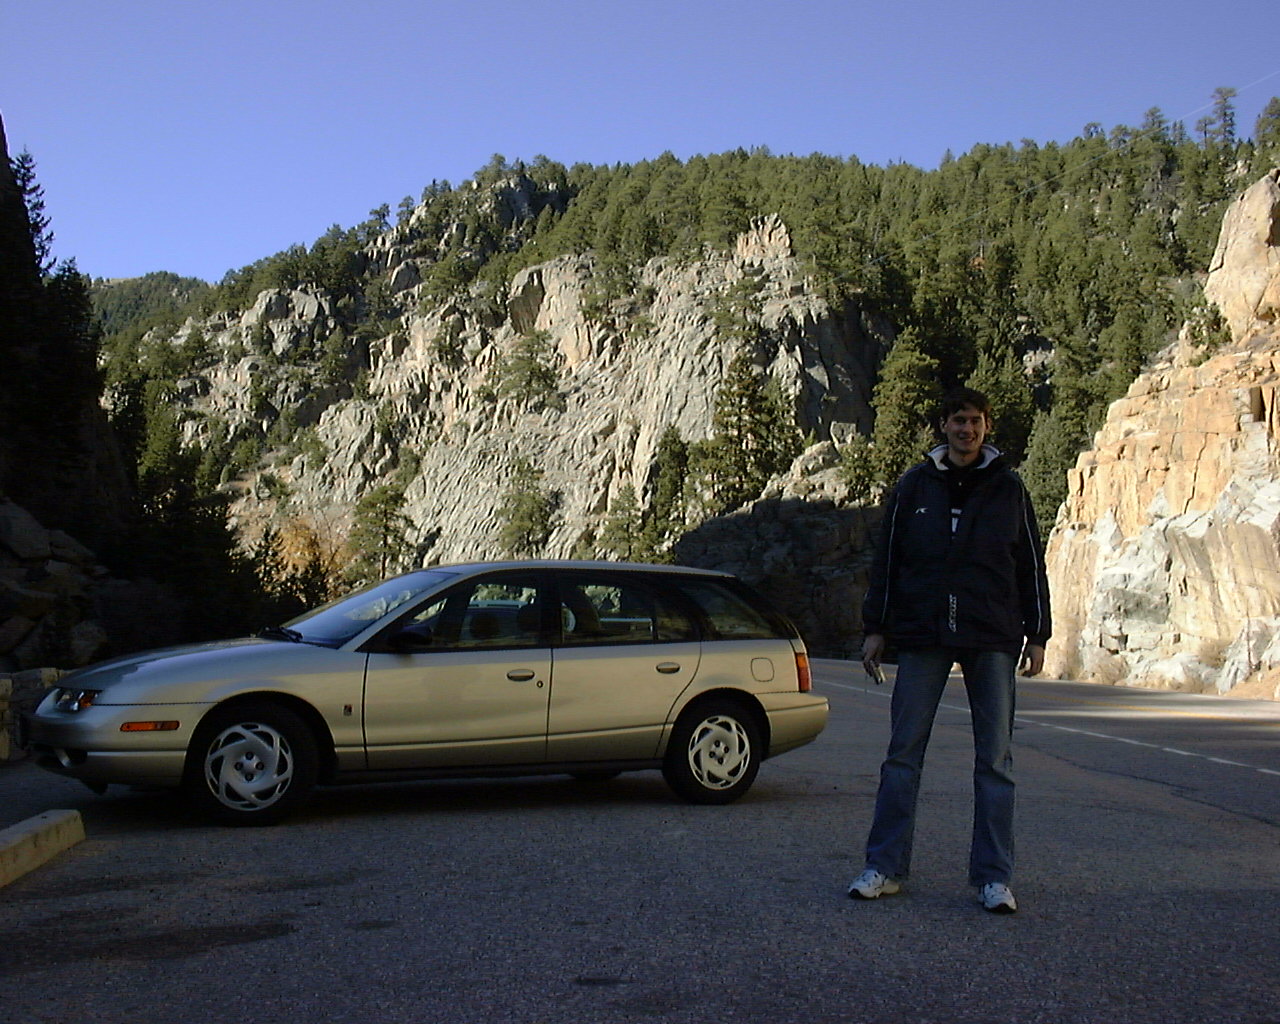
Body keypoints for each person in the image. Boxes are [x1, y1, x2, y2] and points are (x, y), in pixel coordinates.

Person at [848, 386, 1050, 914]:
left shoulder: (1009, 488)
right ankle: (884, 867)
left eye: (976, 421)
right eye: (959, 420)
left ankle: (994, 878)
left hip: (992, 633)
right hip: (923, 633)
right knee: (902, 755)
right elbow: (888, 561)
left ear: (987, 428)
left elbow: (1030, 562)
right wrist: (876, 628)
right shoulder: (915, 485)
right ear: (944, 425)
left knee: (995, 761)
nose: (967, 429)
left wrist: (1038, 634)